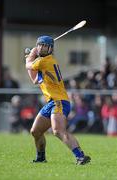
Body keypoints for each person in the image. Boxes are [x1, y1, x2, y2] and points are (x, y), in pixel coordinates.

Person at [25, 35, 91, 165]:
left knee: (58, 131)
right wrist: (30, 58)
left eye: (45, 46)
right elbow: (34, 79)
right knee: (35, 131)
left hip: (59, 101)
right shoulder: (42, 64)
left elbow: (29, 65)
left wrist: (30, 55)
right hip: (51, 102)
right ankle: (41, 158)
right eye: (40, 45)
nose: (42, 48)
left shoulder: (46, 61)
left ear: (50, 49)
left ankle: (80, 156)